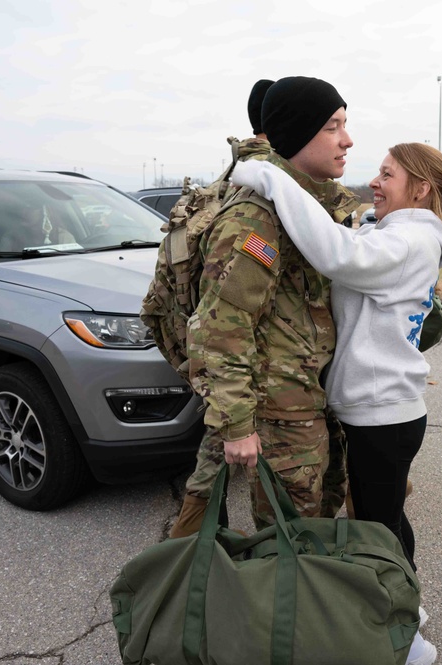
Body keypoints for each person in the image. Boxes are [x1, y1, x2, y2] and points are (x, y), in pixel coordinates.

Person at [232, 141, 442, 665]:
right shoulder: (404, 235)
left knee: (376, 533)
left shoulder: (409, 242)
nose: (375, 181)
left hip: (384, 414)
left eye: (387, 175)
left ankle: (408, 642)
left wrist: (274, 180)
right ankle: (410, 602)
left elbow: (337, 254)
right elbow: (356, 241)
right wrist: (369, 218)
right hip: (389, 411)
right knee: (387, 520)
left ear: (420, 188)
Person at [179, 76, 360, 538]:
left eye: (345, 124)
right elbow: (221, 327)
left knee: (320, 515)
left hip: (314, 398)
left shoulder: (309, 206)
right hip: (282, 411)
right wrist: (237, 426)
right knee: (290, 536)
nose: (347, 139)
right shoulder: (258, 218)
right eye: (332, 127)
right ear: (299, 135)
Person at [170, 78, 277, 538]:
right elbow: (225, 321)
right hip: (253, 364)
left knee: (215, 452)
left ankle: (192, 556)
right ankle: (189, 569)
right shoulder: (261, 193)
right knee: (231, 449)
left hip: (224, 360)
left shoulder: (232, 178)